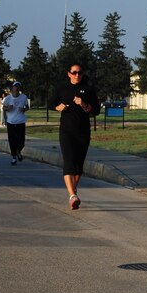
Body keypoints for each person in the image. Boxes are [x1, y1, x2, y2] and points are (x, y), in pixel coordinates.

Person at [49, 63, 100, 210]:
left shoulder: (88, 90)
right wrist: (57, 107)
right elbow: (51, 103)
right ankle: (72, 195)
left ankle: (73, 191)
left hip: (83, 132)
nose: (77, 75)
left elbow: (96, 110)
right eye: (74, 72)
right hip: (66, 132)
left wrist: (83, 104)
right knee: (69, 162)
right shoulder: (62, 88)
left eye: (79, 73)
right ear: (69, 74)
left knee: (78, 166)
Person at [3, 81, 30, 165]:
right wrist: (8, 108)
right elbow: (3, 108)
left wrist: (24, 109)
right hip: (11, 122)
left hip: (21, 121)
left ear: (20, 88)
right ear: (12, 88)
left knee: (21, 141)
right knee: (12, 140)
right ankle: (14, 157)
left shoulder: (24, 97)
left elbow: (27, 107)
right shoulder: (8, 98)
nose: (16, 88)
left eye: (18, 87)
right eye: (15, 86)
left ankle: (18, 151)